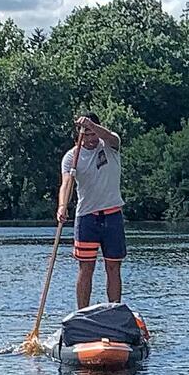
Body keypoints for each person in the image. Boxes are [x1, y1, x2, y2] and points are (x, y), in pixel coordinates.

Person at [58, 114, 126, 309]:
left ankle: (113, 310)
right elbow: (66, 184)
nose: (91, 138)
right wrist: (62, 206)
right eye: (86, 134)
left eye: (93, 132)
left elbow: (111, 137)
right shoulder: (71, 157)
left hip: (112, 215)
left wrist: (92, 125)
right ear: (78, 137)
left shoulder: (110, 144)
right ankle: (82, 314)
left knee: (113, 266)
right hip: (87, 218)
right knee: (86, 268)